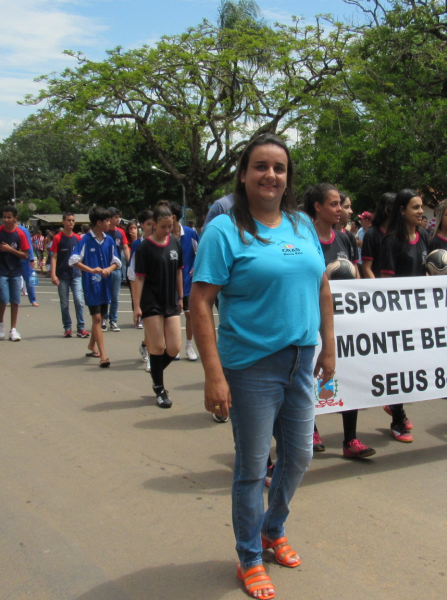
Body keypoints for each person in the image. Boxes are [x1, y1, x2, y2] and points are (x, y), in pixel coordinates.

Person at [191, 133, 333, 600]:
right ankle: (249, 557)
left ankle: (274, 529)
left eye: (280, 167)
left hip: (301, 360)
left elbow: (322, 287)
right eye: (261, 166)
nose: (271, 175)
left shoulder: (300, 224)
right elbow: (201, 302)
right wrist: (214, 374)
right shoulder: (224, 230)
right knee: (252, 467)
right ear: (244, 173)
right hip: (251, 366)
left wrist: (328, 347)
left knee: (300, 456)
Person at [302, 183, 375, 459]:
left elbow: (355, 277)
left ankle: (350, 440)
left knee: (348, 373)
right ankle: (311, 428)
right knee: (313, 376)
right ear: (317, 207)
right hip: (313, 320)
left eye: (340, 204)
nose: (340, 209)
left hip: (343, 322)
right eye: (333, 204)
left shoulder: (344, 238)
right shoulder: (304, 240)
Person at [378, 189, 430, 443]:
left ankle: (394, 403)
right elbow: (386, 282)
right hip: (398, 316)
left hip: (418, 314)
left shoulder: (423, 237)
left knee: (411, 367)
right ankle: (398, 419)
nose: (421, 212)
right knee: (397, 367)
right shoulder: (392, 241)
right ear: (401, 210)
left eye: (421, 207)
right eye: (415, 207)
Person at [131, 203, 183, 408]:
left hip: (171, 301)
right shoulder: (144, 247)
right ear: (154, 224)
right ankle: (159, 389)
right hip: (151, 301)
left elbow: (179, 270)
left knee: (174, 347)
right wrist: (137, 306)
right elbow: (139, 278)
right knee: (159, 347)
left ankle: (155, 373)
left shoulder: (175, 244)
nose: (167, 230)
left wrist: (181, 297)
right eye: (163, 226)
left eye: (170, 226)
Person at [70, 206, 122, 368]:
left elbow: (117, 262)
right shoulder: (85, 240)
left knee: (100, 319)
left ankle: (91, 345)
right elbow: (73, 260)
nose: (109, 223)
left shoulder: (109, 241)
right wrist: (90, 269)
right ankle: (104, 355)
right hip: (91, 286)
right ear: (99, 222)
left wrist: (109, 269)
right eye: (107, 220)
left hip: (105, 286)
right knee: (97, 319)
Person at [0, 206, 31, 342]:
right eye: (4, 217)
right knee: (3, 298)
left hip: (15, 270)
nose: (6, 220)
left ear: (15, 218)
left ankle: (13, 329)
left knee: (15, 300)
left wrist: (10, 249)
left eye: (9, 217)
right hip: (1, 270)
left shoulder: (20, 234)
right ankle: (0, 322)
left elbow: (25, 255)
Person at [50, 213, 88, 339]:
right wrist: (53, 274)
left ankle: (81, 327)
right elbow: (54, 257)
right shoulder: (58, 238)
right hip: (62, 275)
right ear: (63, 222)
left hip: (76, 274)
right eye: (69, 220)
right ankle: (67, 327)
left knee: (79, 300)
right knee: (64, 303)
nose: (71, 222)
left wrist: (83, 270)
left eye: (73, 220)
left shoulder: (78, 238)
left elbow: (82, 256)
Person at [171, 202, 200, 361]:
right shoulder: (165, 235)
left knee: (189, 315)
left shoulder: (190, 234)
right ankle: (173, 347)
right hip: (169, 284)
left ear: (173, 217)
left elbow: (201, 252)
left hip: (188, 283)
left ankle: (189, 346)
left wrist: (196, 267)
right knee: (172, 317)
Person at [129, 209, 155, 336]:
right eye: (149, 224)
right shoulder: (137, 244)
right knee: (149, 322)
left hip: (156, 285)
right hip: (142, 285)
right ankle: (148, 348)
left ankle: (148, 347)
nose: (152, 227)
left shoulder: (161, 241)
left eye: (153, 224)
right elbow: (132, 272)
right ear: (142, 225)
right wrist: (136, 303)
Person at [359, 193, 395, 279]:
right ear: (387, 209)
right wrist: (379, 289)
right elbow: (366, 268)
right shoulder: (371, 234)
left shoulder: (398, 234)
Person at [105, 207, 130, 332]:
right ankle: (104, 319)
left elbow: (125, 247)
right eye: (115, 217)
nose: (118, 219)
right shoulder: (103, 232)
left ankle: (113, 320)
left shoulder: (120, 232)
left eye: (118, 217)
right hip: (104, 268)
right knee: (105, 295)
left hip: (117, 269)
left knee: (115, 296)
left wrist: (129, 261)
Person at [17, 222, 39, 307]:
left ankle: (33, 299)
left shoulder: (23, 230)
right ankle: (13, 300)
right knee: (13, 280)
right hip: (13, 259)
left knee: (29, 280)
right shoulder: (7, 229)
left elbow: (29, 244)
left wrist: (31, 258)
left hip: (24, 259)